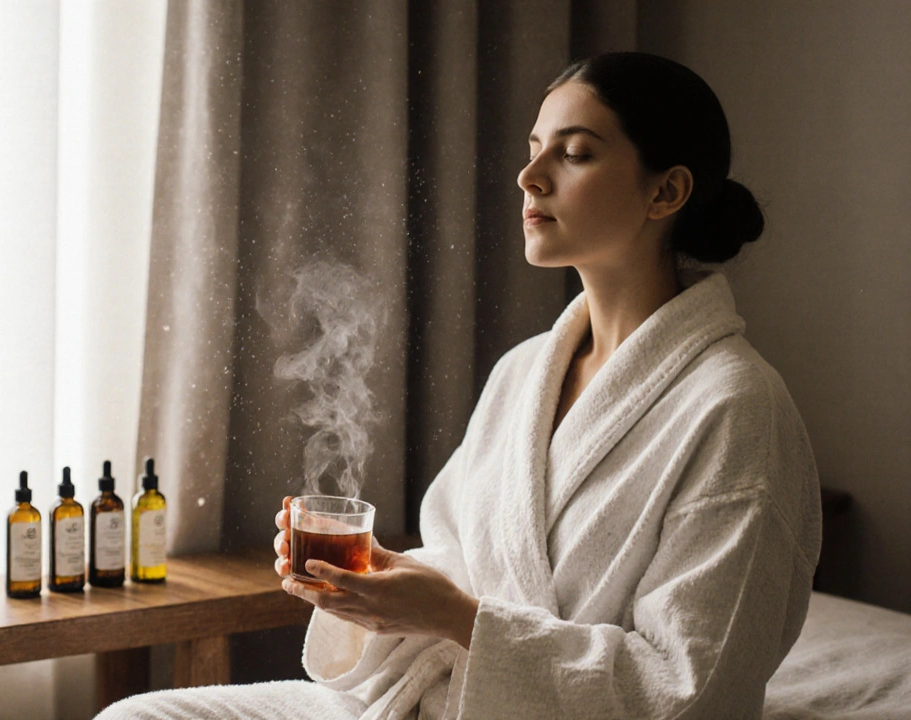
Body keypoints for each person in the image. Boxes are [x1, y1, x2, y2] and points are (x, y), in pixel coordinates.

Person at [98, 51, 820, 720]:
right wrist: (381, 584)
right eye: (533, 149)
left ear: (667, 190)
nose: (529, 177)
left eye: (574, 153)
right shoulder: (524, 373)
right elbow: (462, 558)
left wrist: (456, 618)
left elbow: (693, 689)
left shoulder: (736, 408)